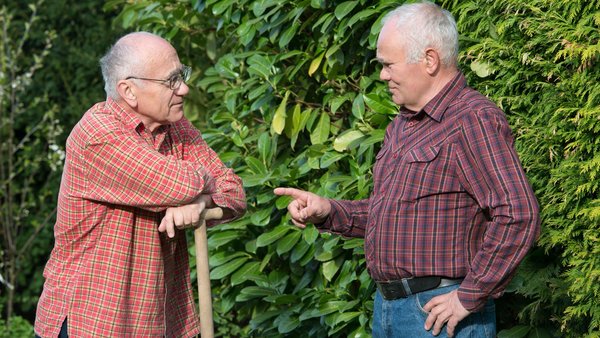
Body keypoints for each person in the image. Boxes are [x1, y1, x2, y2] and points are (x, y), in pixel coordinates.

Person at [274, 1, 540, 337]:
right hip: (388, 309)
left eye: (388, 64)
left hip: (438, 315)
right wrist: (329, 211)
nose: (383, 74)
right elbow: (395, 214)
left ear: (429, 60)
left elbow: (518, 213)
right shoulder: (403, 125)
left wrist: (469, 297)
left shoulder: (472, 119)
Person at [34, 32, 246, 337]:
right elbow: (178, 183)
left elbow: (235, 192)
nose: (184, 88)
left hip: (159, 322)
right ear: (129, 91)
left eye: (182, 75)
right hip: (94, 322)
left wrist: (202, 203)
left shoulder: (177, 127)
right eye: (172, 80)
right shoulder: (97, 134)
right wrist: (202, 187)